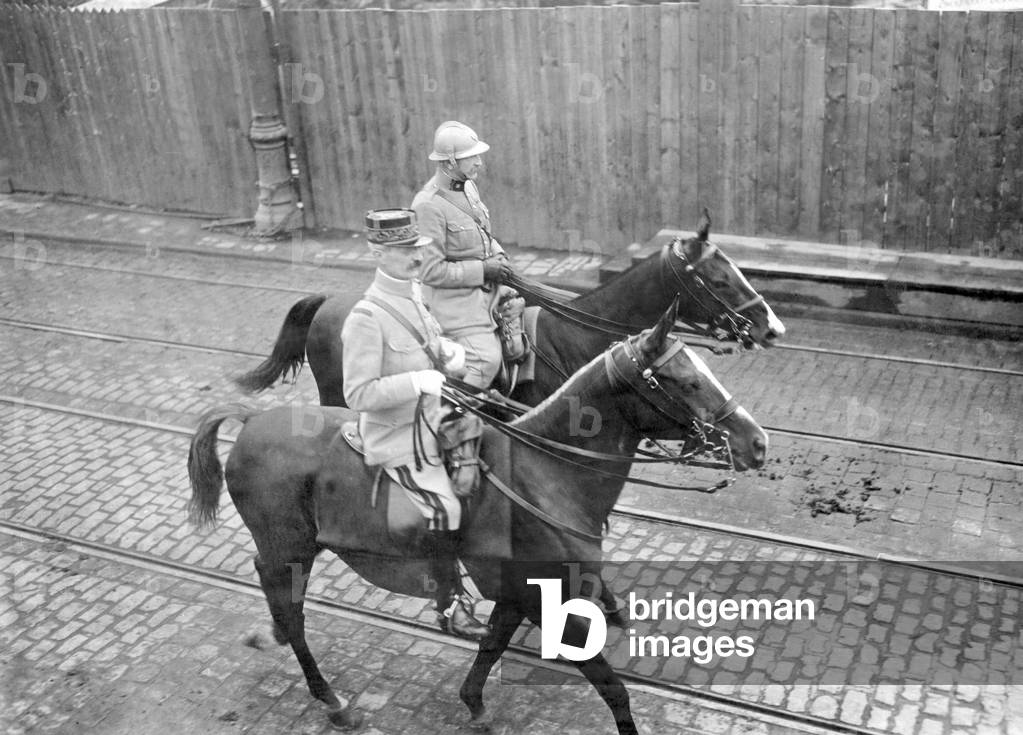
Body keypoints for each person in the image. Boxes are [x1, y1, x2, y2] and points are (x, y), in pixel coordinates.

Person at [341, 208, 490, 641]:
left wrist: (447, 353)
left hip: (435, 416)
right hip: (399, 437)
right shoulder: (365, 318)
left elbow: (424, 343)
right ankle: (449, 606)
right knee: (448, 507)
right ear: (377, 253)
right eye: (405, 251)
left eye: (416, 249)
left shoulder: (413, 294)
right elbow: (358, 394)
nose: (414, 257)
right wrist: (416, 380)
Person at [411, 121, 515, 390]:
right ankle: (453, 418)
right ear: (449, 162)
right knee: (487, 359)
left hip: (486, 292)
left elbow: (482, 235)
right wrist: (483, 270)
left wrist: (499, 255)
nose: (479, 162)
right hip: (453, 304)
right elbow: (429, 271)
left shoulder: (468, 187)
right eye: (472, 157)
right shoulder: (428, 206)